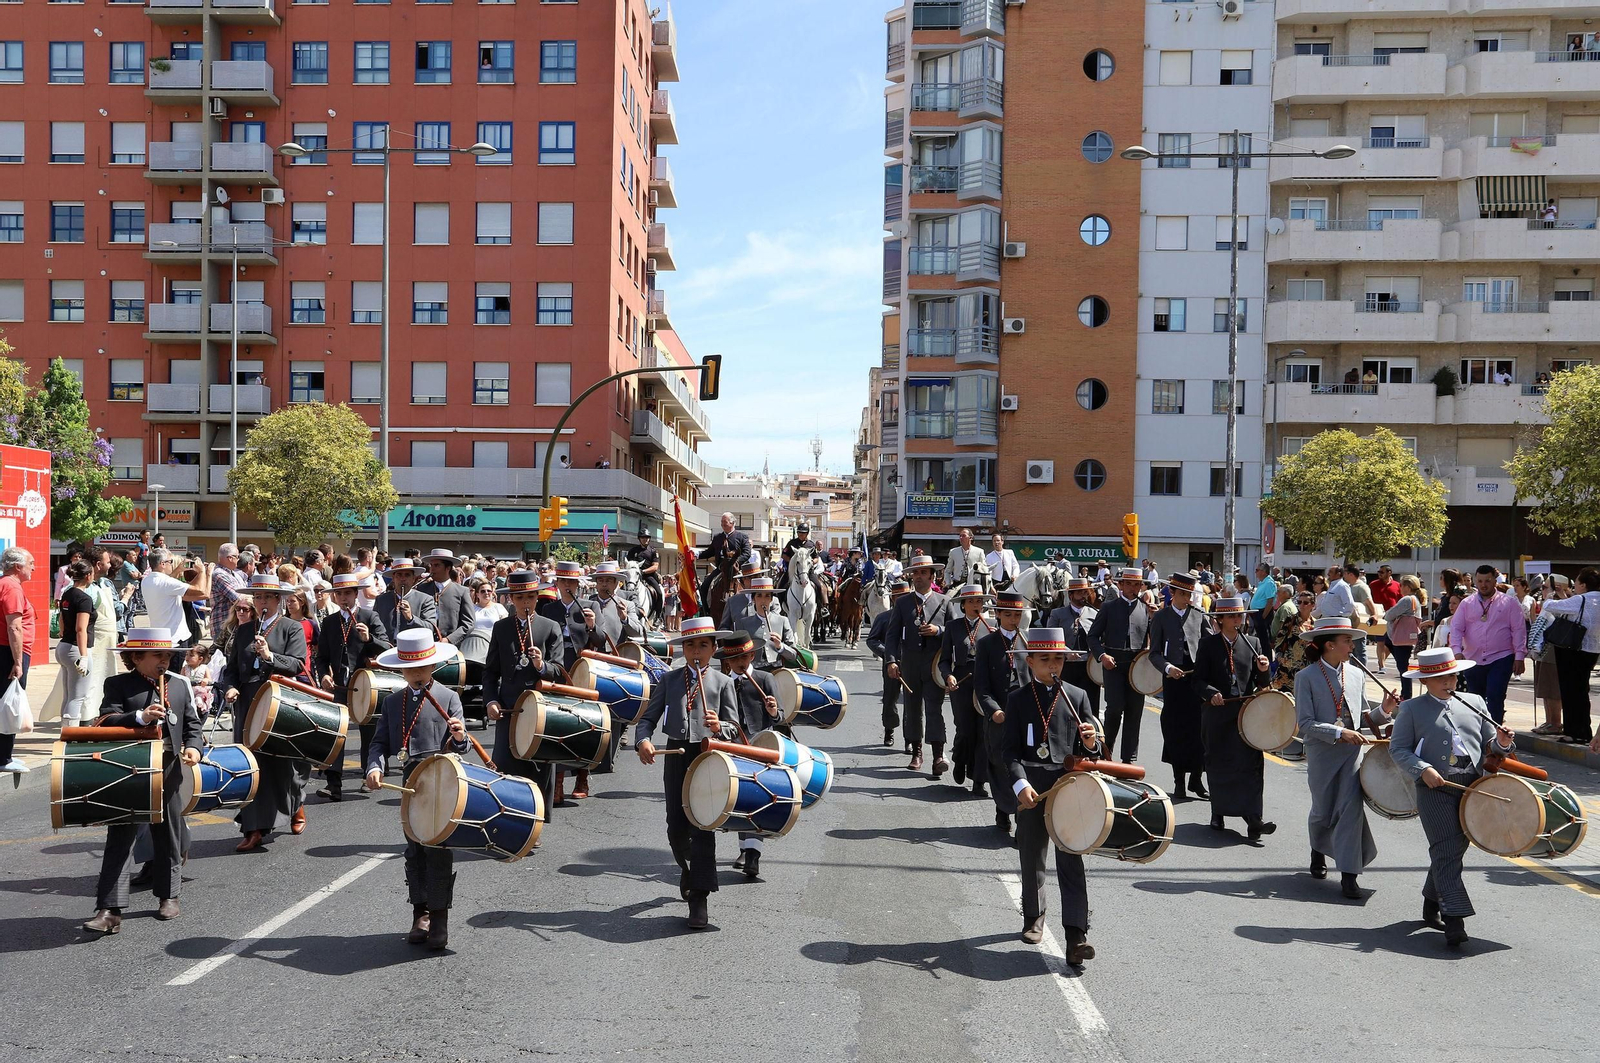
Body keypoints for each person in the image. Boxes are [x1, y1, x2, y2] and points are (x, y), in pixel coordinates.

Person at [1389, 646, 1516, 948]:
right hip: (1435, 788)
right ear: (1425, 682)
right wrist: (1423, 770)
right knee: (1446, 848)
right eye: (1442, 679)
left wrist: (1502, 743)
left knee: (1454, 848)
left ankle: (1431, 901)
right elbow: (1398, 749)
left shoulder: (1474, 702)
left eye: (1453, 676)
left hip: (1472, 786)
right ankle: (1454, 919)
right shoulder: (1411, 709)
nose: (1449, 683)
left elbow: (1491, 745)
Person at [80, 626, 204, 935]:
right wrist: (140, 717)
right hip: (130, 769)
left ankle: (169, 895)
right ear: (135, 657)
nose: (164, 661)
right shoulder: (118, 685)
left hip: (168, 768)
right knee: (121, 836)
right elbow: (106, 720)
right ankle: (109, 909)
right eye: (157, 655)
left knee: (169, 833)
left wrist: (193, 747)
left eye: (167, 655)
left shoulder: (177, 685)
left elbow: (192, 724)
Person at [363, 629, 471, 950]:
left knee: (438, 850)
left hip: (442, 785)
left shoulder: (449, 697)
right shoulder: (393, 702)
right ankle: (419, 913)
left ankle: (439, 917)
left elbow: (461, 747)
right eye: (409, 669)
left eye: (421, 669)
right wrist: (374, 766)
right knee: (414, 851)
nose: (416, 674)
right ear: (401, 670)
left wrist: (459, 736)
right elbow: (380, 742)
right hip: (409, 787)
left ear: (432, 667)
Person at [634, 615, 742, 930]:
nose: (697, 651)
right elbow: (647, 719)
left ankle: (699, 897)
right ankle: (687, 867)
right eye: (691, 644)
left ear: (713, 648)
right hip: (676, 756)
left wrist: (720, 726)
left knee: (703, 825)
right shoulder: (668, 680)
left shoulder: (723, 683)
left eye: (704, 645)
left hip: (709, 758)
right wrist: (642, 741)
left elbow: (735, 729)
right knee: (676, 827)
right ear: (684, 648)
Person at [1003, 627, 1104, 963]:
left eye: (1058, 658)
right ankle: (1033, 916)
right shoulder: (1017, 699)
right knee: (1032, 854)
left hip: (1067, 788)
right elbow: (1009, 753)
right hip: (1032, 786)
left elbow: (1095, 749)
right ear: (1029, 661)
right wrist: (1020, 785)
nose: (1052, 665)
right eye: (1044, 659)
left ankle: (1076, 935)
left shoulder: (1077, 696)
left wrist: (1091, 742)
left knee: (1070, 857)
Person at [1295, 617, 1397, 900]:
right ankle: (1318, 849)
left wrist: (1385, 710)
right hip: (1322, 753)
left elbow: (1365, 719)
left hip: (1352, 754)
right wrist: (1339, 732)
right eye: (1347, 641)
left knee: (1350, 810)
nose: (1352, 646)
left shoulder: (1355, 674)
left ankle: (1350, 875)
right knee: (1322, 809)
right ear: (1329, 645)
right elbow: (1304, 723)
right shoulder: (1305, 678)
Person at [222, 574, 310, 852]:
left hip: (277, 700)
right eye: (257, 597)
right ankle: (253, 828)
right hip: (248, 701)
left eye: (266, 597)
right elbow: (231, 669)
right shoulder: (244, 630)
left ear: (277, 600)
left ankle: (295, 804)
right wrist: (231, 687)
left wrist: (270, 656)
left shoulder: (291, 628)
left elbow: (297, 665)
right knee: (250, 762)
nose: (260, 602)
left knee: (282, 763)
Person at [484, 570, 566, 819]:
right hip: (509, 707)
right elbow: (490, 671)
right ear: (511, 600)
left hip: (540, 708)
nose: (526, 603)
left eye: (530, 597)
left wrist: (541, 665)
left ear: (537, 597)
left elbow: (560, 672)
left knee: (538, 768)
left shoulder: (550, 627)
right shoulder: (501, 628)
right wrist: (491, 700)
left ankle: (536, 820)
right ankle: (509, 818)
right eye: (520, 598)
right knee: (505, 765)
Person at [1194, 598, 1274, 841]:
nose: (1237, 621)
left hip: (1246, 714)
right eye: (1232, 617)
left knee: (1251, 764)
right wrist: (1211, 693)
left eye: (1240, 616)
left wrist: (1263, 670)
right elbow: (1197, 680)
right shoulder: (1207, 645)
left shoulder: (1253, 643)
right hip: (1217, 713)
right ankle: (1218, 811)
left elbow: (1262, 684)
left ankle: (1254, 819)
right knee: (1218, 762)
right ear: (1220, 621)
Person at [314, 572, 392, 801]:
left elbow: (387, 647)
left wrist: (369, 639)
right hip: (339, 685)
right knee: (336, 731)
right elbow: (321, 657)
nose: (343, 598)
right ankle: (333, 784)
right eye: (339, 594)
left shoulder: (370, 616)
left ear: (356, 594)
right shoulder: (329, 623)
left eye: (347, 593)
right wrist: (323, 676)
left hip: (366, 684)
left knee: (369, 730)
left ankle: (370, 773)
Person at [716, 631, 784, 879]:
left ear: (752, 655)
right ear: (727, 662)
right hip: (732, 744)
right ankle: (745, 848)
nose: (740, 663)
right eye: (735, 660)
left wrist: (774, 711)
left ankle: (753, 853)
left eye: (744, 657)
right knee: (739, 797)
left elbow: (782, 716)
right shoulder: (722, 682)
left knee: (757, 797)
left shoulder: (765, 678)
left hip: (759, 744)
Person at [883, 554, 949, 775]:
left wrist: (937, 630)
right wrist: (891, 661)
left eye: (923, 573)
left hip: (934, 666)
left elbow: (955, 633)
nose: (918, 577)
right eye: (915, 573)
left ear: (932, 575)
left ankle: (938, 753)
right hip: (909, 665)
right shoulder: (902, 602)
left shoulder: (944, 601)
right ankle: (917, 752)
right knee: (912, 709)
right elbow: (891, 637)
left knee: (934, 709)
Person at [1149, 571, 1209, 800]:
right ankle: (1179, 781)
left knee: (1198, 729)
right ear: (1173, 593)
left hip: (1195, 679)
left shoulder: (1198, 615)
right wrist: (1167, 668)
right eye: (1183, 594)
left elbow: (1208, 643)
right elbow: (1154, 653)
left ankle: (1196, 779)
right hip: (1173, 680)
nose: (1188, 598)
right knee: (1175, 730)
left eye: (1190, 594)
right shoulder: (1161, 618)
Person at [1086, 568, 1152, 764]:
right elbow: (1092, 636)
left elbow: (1154, 640)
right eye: (1129, 584)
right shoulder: (1109, 607)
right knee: (1114, 709)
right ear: (1120, 585)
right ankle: (1106, 751)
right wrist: (1102, 655)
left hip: (1137, 666)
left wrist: (1155, 619)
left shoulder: (1146, 608)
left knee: (1135, 711)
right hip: (1113, 664)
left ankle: (1129, 759)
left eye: (1137, 584)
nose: (1134, 588)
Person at [976, 590, 1030, 832]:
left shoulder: (1028, 642)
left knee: (1022, 764)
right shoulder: (986, 644)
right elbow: (981, 686)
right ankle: (1002, 809)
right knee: (999, 762)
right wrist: (993, 710)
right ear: (997, 615)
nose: (1013, 619)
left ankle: (1021, 817)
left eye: (1017, 615)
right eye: (1007, 614)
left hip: (1025, 715)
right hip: (998, 715)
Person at [1449, 564, 1526, 724]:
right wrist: (1456, 651)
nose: (1484, 585)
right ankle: (1476, 734)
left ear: (1495, 581)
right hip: (1472, 659)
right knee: (1474, 699)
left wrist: (1519, 656)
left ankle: (1495, 735)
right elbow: (1456, 629)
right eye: (1480, 581)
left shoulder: (1509, 603)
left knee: (1495, 695)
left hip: (1501, 657)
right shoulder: (1466, 604)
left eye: (1488, 581)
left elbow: (1518, 630)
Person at [1537, 566, 1600, 749]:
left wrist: (1549, 595)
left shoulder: (1581, 599)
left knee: (1571, 691)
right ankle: (1583, 730)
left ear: (1583, 584)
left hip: (1573, 649)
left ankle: (1575, 732)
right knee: (1581, 690)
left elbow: (1551, 607)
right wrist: (1565, 596)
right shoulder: (1592, 600)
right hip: (1592, 650)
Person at [938, 584, 992, 790]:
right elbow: (943, 660)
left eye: (979, 601)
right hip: (961, 681)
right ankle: (960, 760)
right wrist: (948, 675)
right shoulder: (953, 627)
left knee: (983, 730)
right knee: (964, 728)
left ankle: (979, 779)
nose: (976, 605)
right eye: (971, 601)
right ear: (963, 605)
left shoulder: (990, 626)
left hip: (984, 682)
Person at [0, 547, 38, 776]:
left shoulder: (8, 585)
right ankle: (4, 757)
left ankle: (5, 755)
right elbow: (14, 626)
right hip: (10, 652)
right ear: (17, 566)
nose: (33, 567)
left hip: (9, 651)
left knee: (6, 702)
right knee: (9, 704)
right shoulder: (11, 587)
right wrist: (17, 662)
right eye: (30, 562)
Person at [140, 549, 211, 666]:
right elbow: (201, 591)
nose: (172, 564)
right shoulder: (167, 583)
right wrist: (203, 572)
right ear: (162, 564)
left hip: (160, 638)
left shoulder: (147, 580)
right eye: (170, 562)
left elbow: (167, 584)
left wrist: (178, 570)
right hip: (176, 639)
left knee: (162, 675)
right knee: (174, 676)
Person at [1047, 577, 1100, 717]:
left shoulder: (1094, 614)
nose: (1084, 596)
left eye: (1085, 593)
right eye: (1080, 593)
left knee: (1090, 705)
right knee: (1066, 704)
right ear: (1071, 595)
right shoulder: (1057, 614)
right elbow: (1050, 638)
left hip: (1089, 667)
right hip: (1066, 666)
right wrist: (1066, 652)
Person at [866, 579, 909, 749]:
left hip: (911, 664)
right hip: (891, 664)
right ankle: (889, 730)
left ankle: (910, 738)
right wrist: (888, 654)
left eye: (905, 597)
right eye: (899, 597)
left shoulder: (916, 617)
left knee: (912, 703)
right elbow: (872, 640)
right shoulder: (884, 618)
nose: (902, 600)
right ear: (893, 599)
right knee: (890, 699)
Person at [55, 560, 97, 725]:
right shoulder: (84, 599)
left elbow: (61, 619)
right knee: (78, 696)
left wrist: (64, 632)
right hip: (77, 649)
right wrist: (84, 656)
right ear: (88, 576)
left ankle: (65, 732)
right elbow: (81, 629)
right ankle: (71, 736)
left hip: (64, 646)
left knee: (69, 695)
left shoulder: (67, 593)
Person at [734, 576, 803, 672]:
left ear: (771, 599)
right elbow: (737, 654)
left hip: (777, 672)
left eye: (767, 596)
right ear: (753, 599)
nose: (763, 600)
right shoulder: (743, 623)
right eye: (759, 596)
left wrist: (780, 646)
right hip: (754, 673)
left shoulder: (783, 621)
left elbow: (793, 655)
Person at [419, 548, 475, 648]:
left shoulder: (461, 591)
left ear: (448, 568)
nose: (432, 569)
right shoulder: (421, 589)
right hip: (423, 646)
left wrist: (449, 640)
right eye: (431, 565)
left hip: (450, 647)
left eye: (436, 565)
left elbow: (468, 624)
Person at [1385, 575, 1427, 699]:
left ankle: (1406, 694)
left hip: (1401, 638)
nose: (1400, 588)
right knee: (1402, 665)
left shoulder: (1407, 599)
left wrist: (1386, 614)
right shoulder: (1415, 599)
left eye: (1402, 585)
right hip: (1404, 637)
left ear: (1408, 587)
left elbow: (1389, 615)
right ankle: (1405, 693)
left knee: (1403, 667)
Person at [701, 512, 753, 607]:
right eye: (721, 522)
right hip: (721, 569)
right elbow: (709, 552)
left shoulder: (742, 537)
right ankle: (706, 611)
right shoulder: (717, 538)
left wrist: (735, 562)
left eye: (725, 522)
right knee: (704, 586)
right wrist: (696, 554)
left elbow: (747, 553)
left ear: (733, 523)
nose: (723, 524)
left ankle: (753, 608)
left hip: (738, 570)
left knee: (753, 587)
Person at [1367, 565, 1402, 672]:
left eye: (1382, 572)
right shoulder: (1373, 585)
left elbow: (1400, 601)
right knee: (1380, 642)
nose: (1379, 574)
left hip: (1393, 618)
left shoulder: (1397, 585)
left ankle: (1381, 661)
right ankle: (1382, 666)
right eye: (1378, 572)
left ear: (1389, 572)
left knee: (1391, 643)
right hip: (1380, 617)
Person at [210, 544, 247, 642]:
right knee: (224, 657)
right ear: (230, 558)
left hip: (235, 626)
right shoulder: (219, 574)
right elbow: (238, 598)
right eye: (237, 557)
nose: (239, 560)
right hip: (223, 627)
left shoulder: (235, 574)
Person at [626, 530, 663, 623]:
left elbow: (655, 566)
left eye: (647, 538)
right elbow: (628, 564)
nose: (645, 540)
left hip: (648, 576)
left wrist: (643, 571)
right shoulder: (633, 551)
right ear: (639, 539)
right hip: (634, 577)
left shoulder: (653, 551)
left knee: (659, 593)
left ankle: (658, 616)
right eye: (643, 538)